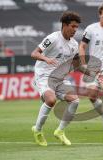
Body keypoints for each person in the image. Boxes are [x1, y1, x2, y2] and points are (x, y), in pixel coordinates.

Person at [31, 11, 81, 146]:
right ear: (64, 25)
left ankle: (60, 131)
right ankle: (38, 130)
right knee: (51, 100)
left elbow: (76, 65)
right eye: (73, 26)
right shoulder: (53, 38)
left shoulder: (74, 44)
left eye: (77, 27)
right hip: (43, 75)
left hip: (58, 77)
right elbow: (34, 53)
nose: (75, 30)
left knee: (75, 101)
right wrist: (46, 59)